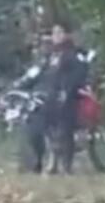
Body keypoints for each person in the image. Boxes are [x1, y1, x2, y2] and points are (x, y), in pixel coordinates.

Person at [20, 22, 88, 174]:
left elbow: (79, 75)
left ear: (67, 35)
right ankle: (38, 161)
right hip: (46, 97)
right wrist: (21, 84)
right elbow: (36, 72)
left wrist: (67, 90)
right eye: (54, 33)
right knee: (33, 128)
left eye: (59, 32)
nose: (56, 36)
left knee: (65, 130)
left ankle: (66, 165)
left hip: (67, 98)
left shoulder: (74, 54)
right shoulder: (48, 55)